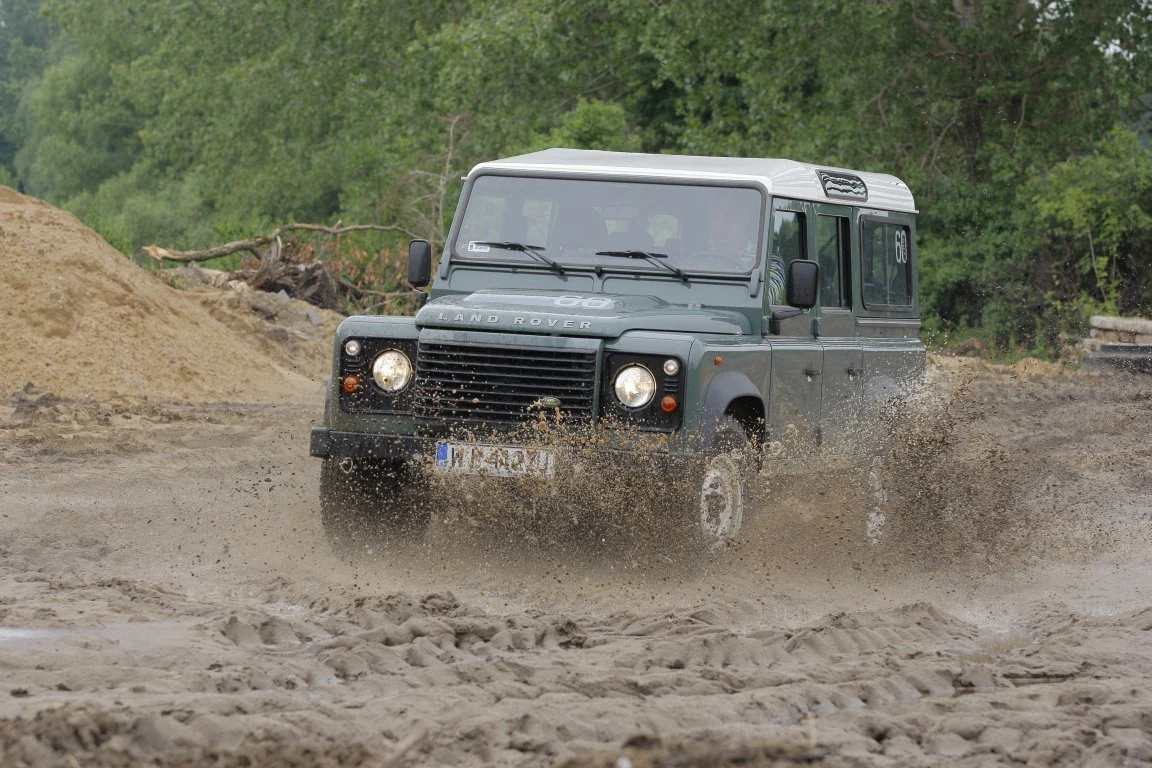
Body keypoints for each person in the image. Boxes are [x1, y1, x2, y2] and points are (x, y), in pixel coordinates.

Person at [705, 196, 785, 303]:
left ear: (744, 218)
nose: (720, 225)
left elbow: (766, 297)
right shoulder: (699, 260)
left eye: (728, 217)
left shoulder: (769, 260)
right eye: (713, 219)